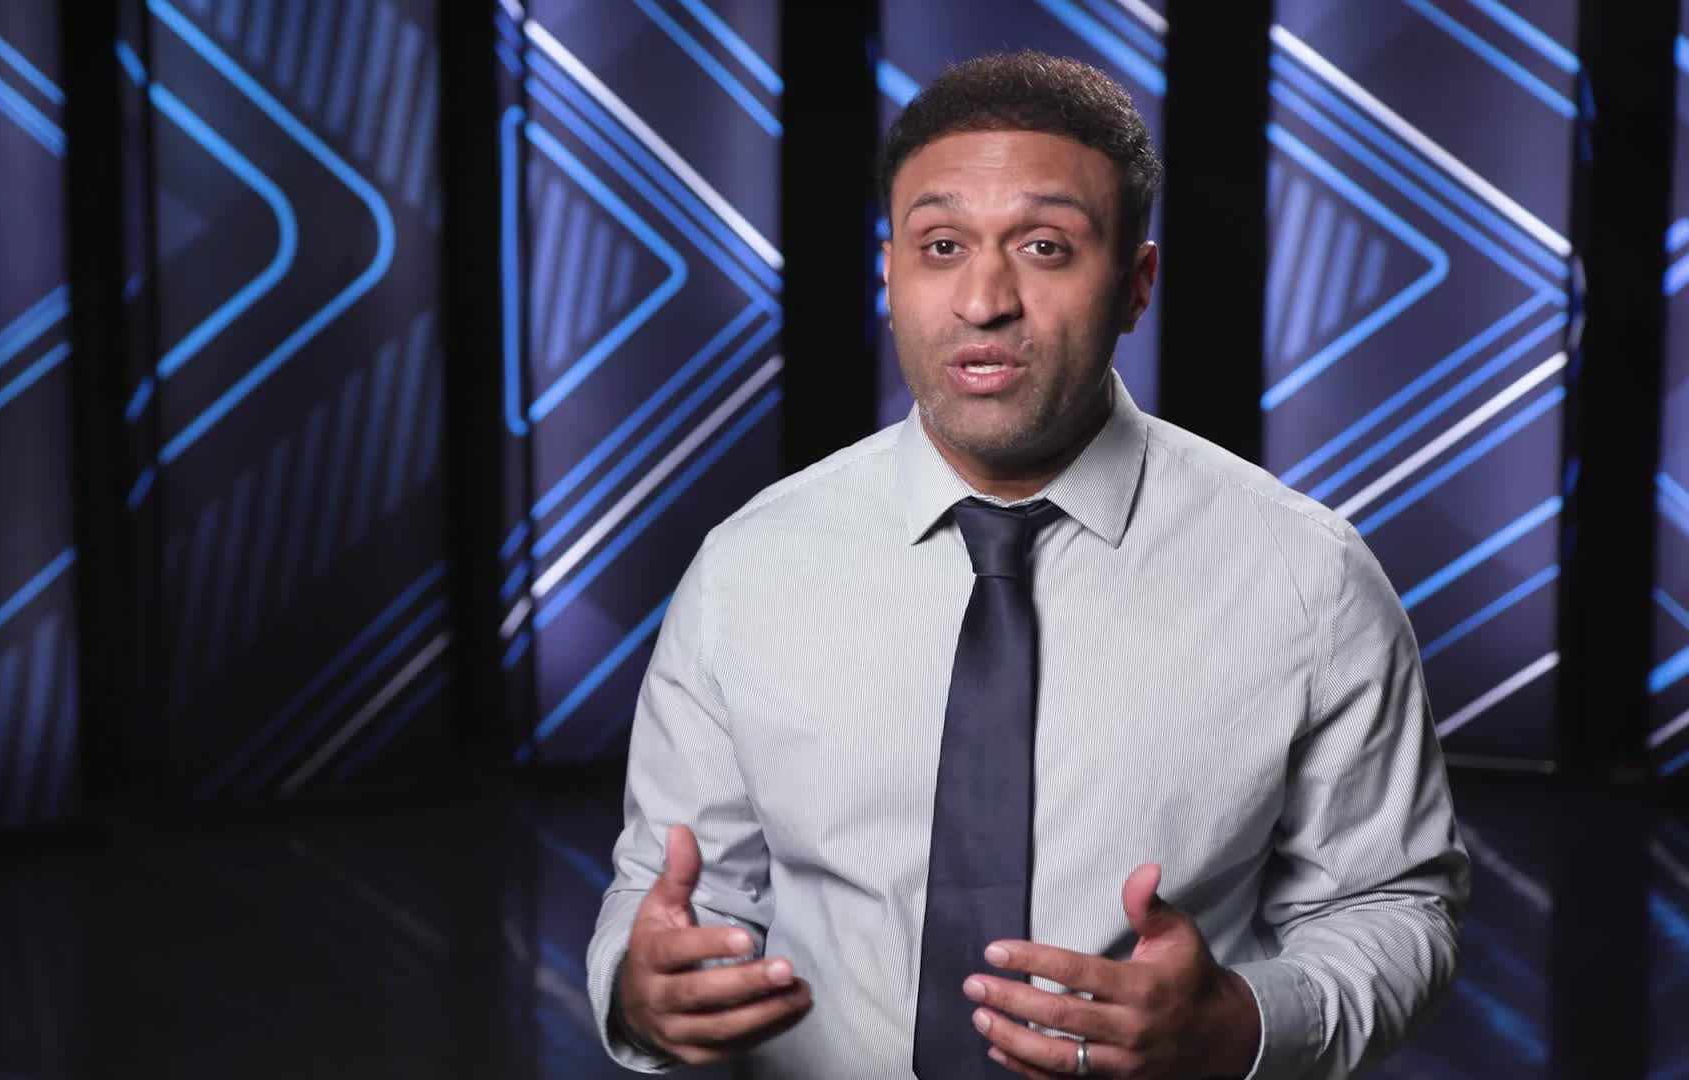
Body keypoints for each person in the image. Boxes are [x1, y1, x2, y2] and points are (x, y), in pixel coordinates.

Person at [584, 50, 1468, 1079]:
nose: (985, 300)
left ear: (1136, 285)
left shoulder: (1309, 576)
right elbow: (673, 893)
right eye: (942, 246)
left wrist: (1237, 1024)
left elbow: (1394, 904)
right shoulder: (748, 568)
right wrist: (643, 990)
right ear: (890, 277)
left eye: (1046, 247)